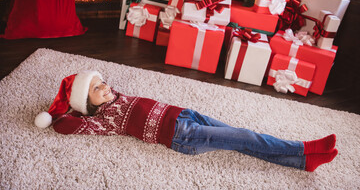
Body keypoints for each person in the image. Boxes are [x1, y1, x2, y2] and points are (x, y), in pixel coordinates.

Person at [34, 71, 338, 172]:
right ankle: (303, 148)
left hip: (183, 114)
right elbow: (65, 125)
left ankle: (302, 164)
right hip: (182, 135)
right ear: (86, 104)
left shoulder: (116, 96)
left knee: (240, 141)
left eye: (102, 82)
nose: (105, 88)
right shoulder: (102, 120)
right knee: (244, 135)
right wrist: (57, 110)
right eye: (96, 90)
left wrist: (91, 86)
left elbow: (102, 88)